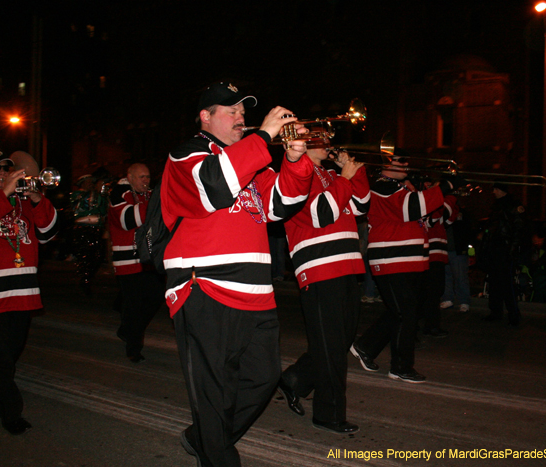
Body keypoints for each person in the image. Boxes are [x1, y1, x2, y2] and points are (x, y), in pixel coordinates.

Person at [160, 82, 313, 467]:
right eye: (231, 111)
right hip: (204, 284)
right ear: (205, 117)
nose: (241, 118)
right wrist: (263, 135)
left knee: (263, 379)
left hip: (256, 291)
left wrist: (295, 160)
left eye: (243, 112)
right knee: (214, 391)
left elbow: (280, 205)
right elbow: (214, 185)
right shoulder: (187, 153)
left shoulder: (250, 160)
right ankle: (216, 452)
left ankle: (204, 437)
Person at [0, 147, 59, 435]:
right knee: (0, 357)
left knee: (10, 352)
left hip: (22, 291)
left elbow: (49, 233)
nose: (2, 175)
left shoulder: (22, 202)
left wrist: (36, 198)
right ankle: (10, 412)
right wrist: (3, 193)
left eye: (6, 169)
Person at [279, 147, 369, 434]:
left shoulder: (330, 174)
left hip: (347, 265)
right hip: (319, 267)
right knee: (330, 346)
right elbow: (322, 214)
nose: (327, 140)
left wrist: (356, 171)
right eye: (317, 135)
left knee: (338, 342)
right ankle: (328, 414)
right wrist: (344, 178)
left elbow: (361, 206)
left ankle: (296, 378)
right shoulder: (297, 176)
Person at [351, 157, 460, 383]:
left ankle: (366, 346)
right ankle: (401, 366)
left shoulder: (403, 188)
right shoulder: (381, 186)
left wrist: (437, 193)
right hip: (391, 259)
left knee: (403, 311)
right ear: (384, 166)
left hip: (409, 259)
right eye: (399, 162)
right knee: (405, 314)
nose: (406, 166)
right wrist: (446, 187)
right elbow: (411, 208)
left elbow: (429, 220)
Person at [107, 163, 164, 363]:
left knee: (155, 298)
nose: (146, 181)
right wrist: (158, 201)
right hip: (127, 261)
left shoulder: (147, 194)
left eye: (148, 177)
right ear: (129, 177)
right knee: (134, 305)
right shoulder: (119, 193)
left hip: (147, 259)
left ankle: (127, 330)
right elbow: (129, 219)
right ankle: (133, 348)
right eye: (142, 177)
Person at [479, 183, 527, 326]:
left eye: (495, 189)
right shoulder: (497, 206)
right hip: (496, 248)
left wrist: (512, 250)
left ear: (501, 190)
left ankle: (513, 314)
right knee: (494, 281)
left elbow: (519, 230)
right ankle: (496, 311)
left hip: (505, 249)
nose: (493, 192)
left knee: (507, 282)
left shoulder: (513, 205)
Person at [420, 182, 457, 337]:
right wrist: (448, 195)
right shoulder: (425, 201)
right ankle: (430, 326)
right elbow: (434, 217)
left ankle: (430, 325)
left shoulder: (435, 202)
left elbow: (449, 219)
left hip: (438, 253)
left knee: (435, 291)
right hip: (431, 253)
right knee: (432, 292)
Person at [68, 173, 108, 294]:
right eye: (89, 182)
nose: (91, 184)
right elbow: (87, 203)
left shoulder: (96, 195)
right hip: (83, 229)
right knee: (85, 254)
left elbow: (103, 208)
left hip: (96, 228)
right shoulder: (77, 195)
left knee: (98, 254)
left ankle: (87, 277)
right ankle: (85, 279)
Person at [441, 207, 473, 312]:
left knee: (460, 276)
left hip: (457, 250)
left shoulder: (461, 213)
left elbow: (466, 230)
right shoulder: (443, 211)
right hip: (445, 248)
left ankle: (464, 301)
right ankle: (448, 298)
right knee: (446, 276)